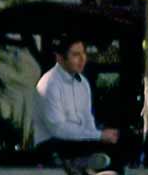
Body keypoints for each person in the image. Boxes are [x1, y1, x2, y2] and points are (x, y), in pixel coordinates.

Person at [33, 35, 122, 166]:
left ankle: (88, 163)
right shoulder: (49, 84)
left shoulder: (83, 83)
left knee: (119, 144)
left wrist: (99, 136)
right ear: (60, 58)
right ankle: (78, 163)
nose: (82, 59)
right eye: (75, 55)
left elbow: (87, 118)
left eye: (83, 53)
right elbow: (58, 129)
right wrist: (97, 136)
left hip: (79, 141)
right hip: (53, 143)